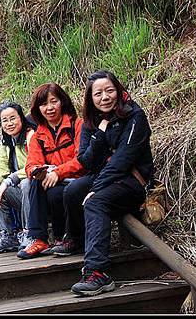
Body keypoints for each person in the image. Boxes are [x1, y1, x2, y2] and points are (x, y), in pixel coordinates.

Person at [70, 70, 153, 297]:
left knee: (95, 203)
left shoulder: (134, 116)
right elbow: (85, 160)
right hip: (105, 177)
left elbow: (122, 160)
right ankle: (78, 243)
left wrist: (96, 189)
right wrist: (99, 134)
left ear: (118, 90)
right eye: (98, 93)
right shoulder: (91, 121)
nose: (105, 97)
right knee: (71, 191)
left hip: (132, 181)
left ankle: (98, 273)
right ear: (90, 98)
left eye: (109, 91)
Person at [17, 83, 87, 259]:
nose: (49, 108)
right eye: (43, 104)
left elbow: (83, 159)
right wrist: (36, 171)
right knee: (37, 182)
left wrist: (58, 172)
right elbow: (31, 163)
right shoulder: (38, 135)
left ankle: (54, 238)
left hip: (78, 180)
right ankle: (39, 238)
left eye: (53, 102)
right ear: (37, 109)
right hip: (55, 183)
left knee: (58, 193)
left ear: (62, 102)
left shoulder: (77, 125)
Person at [0, 102, 36, 254]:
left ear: (21, 118)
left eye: (13, 118)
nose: (9, 123)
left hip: (38, 195)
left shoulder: (30, 136)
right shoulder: (6, 142)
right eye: (4, 120)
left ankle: (29, 234)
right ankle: (8, 236)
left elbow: (33, 166)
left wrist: (8, 181)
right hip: (22, 197)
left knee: (27, 182)